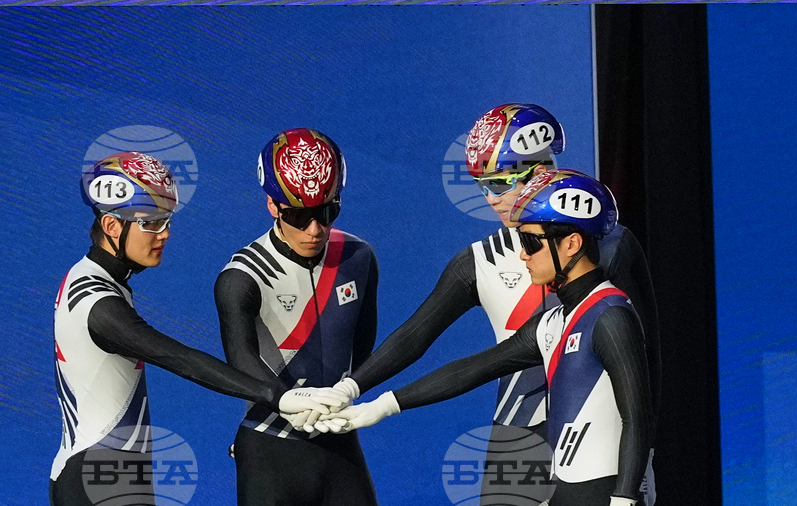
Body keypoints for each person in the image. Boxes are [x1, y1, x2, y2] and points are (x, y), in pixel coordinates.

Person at [315, 103, 660, 501]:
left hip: (601, 441)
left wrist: (644, 459)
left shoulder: (610, 244)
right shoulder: (479, 261)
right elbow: (418, 335)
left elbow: (647, 357)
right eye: (481, 187)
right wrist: (352, 390)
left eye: (499, 184)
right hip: (517, 440)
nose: (491, 200)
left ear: (541, 171)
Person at [52, 151, 338, 506]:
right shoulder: (97, 302)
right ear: (112, 226)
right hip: (100, 478)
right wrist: (277, 396)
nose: (165, 233)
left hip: (106, 473)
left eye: (167, 220)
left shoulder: (91, 279)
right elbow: (178, 357)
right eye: (151, 222)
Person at [214, 128, 379, 506]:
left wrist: (348, 395)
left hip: (338, 441)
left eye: (327, 211)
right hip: (269, 447)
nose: (315, 229)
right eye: (300, 216)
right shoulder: (242, 276)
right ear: (272, 205)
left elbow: (362, 348)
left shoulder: (359, 257)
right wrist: (286, 399)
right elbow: (240, 363)